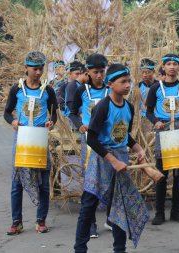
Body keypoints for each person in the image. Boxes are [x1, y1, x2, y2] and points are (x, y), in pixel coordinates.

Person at [74, 64, 149, 253]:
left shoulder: (129, 108)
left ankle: (119, 249)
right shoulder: (103, 106)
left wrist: (138, 147)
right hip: (101, 160)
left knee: (120, 206)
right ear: (110, 84)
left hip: (121, 160)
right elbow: (91, 138)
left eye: (129, 81)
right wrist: (112, 160)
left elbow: (125, 136)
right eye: (123, 82)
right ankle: (80, 248)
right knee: (88, 205)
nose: (127, 85)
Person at [4, 52, 58, 235]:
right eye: (35, 69)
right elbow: (7, 112)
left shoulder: (48, 90)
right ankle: (16, 222)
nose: (38, 72)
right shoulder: (17, 89)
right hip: (22, 141)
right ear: (26, 68)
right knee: (16, 183)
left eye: (41, 68)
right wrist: (12, 122)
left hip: (40, 141)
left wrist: (52, 122)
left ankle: (41, 220)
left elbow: (54, 113)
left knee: (43, 182)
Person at [146, 53, 179, 225]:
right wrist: (156, 121)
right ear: (164, 67)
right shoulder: (155, 88)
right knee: (162, 172)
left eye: (175, 64)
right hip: (164, 131)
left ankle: (176, 210)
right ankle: (159, 212)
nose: (172, 67)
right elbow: (149, 111)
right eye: (168, 64)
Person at [69, 53, 110, 238]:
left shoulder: (111, 90)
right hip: (90, 142)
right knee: (90, 181)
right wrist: (80, 125)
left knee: (110, 179)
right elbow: (72, 113)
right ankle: (91, 223)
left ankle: (112, 218)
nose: (99, 75)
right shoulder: (81, 90)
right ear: (88, 72)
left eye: (102, 71)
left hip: (108, 141)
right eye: (95, 72)